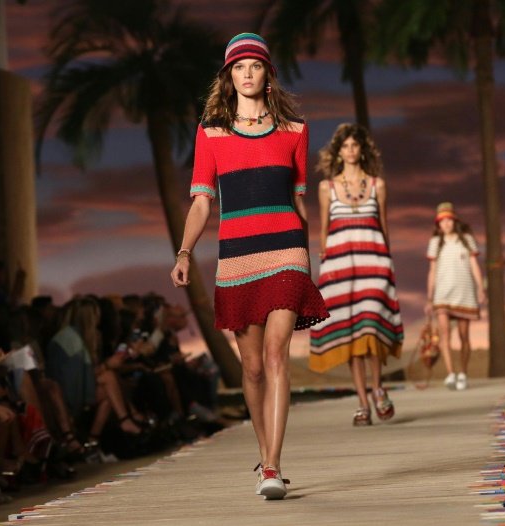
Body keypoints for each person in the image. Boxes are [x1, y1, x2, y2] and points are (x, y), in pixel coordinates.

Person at [170, 32, 328, 500]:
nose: (246, 74)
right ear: (228, 76)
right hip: (237, 257)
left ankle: (275, 464)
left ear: (267, 74)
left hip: (285, 253)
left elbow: (299, 203)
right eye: (238, 68)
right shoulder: (211, 133)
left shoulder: (295, 131)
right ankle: (264, 458)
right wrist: (183, 252)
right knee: (254, 366)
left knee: (278, 354)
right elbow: (202, 202)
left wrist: (312, 256)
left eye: (254, 66)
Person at [308, 123, 404, 426]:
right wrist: (325, 270)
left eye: (355, 145)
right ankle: (362, 401)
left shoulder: (378, 185)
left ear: (362, 150)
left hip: (374, 263)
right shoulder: (328, 187)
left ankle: (377, 389)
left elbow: (383, 226)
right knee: (351, 333)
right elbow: (324, 232)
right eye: (345, 146)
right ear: (338, 152)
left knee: (371, 327)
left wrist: (388, 264)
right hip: (339, 267)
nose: (350, 150)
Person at [424, 202, 486, 391]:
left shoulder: (466, 239)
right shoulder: (435, 243)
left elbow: (474, 265)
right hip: (443, 294)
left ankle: (463, 373)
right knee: (444, 333)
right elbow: (432, 271)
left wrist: (480, 287)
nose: (446, 224)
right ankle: (450, 373)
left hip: (464, 292)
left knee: (464, 335)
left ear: (454, 221)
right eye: (442, 221)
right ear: (438, 224)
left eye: (449, 220)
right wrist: (429, 297)